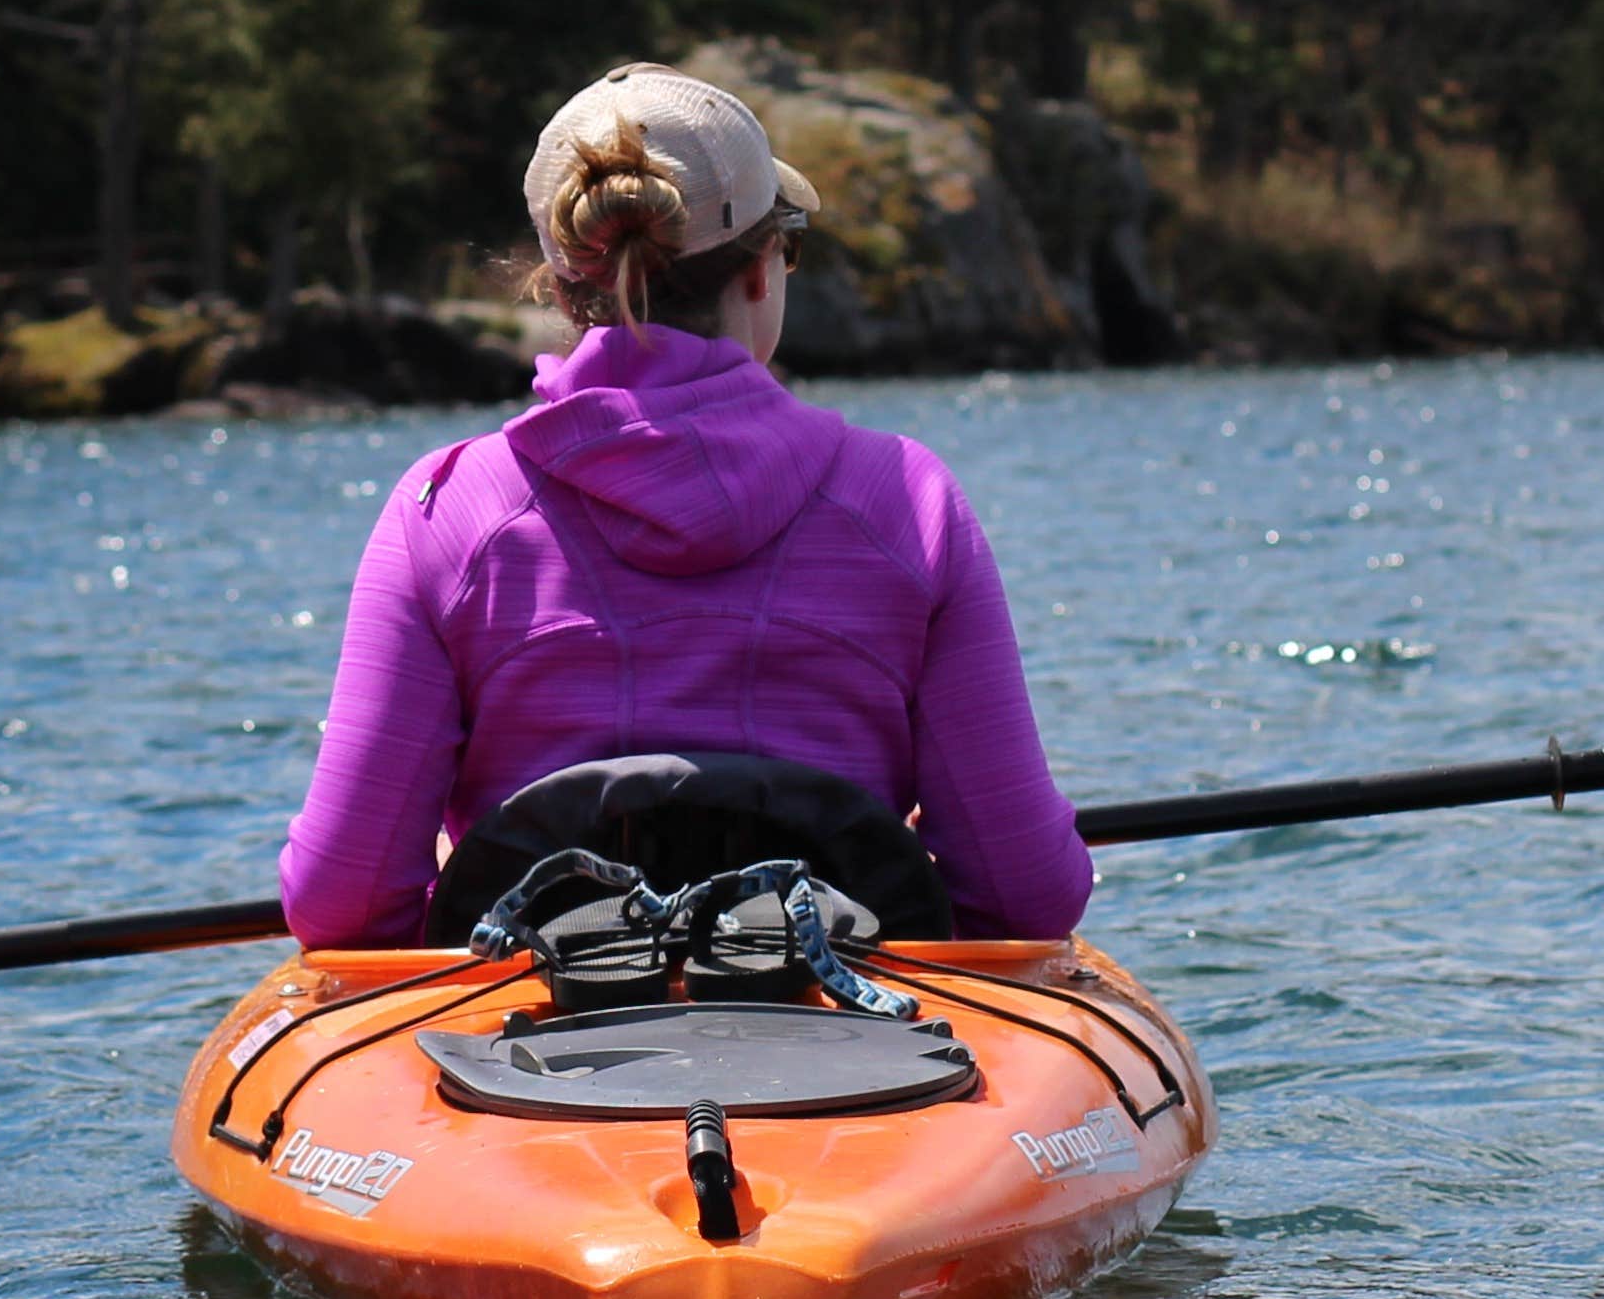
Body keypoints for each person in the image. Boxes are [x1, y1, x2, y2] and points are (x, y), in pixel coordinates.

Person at [275, 63, 1097, 945]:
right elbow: (1023, 894)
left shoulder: (447, 514)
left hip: (547, 1048)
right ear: (758, 275)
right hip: (842, 1038)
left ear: (559, 290)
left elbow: (342, 902)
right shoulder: (908, 502)